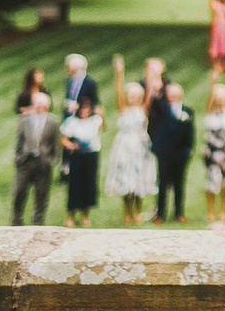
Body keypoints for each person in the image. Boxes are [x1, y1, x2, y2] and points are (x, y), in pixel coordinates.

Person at [104, 56, 158, 226]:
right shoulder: (123, 109)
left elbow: (150, 92)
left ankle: (137, 211)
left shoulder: (143, 110)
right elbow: (118, 93)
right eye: (131, 96)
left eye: (136, 95)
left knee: (139, 180)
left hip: (140, 147)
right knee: (126, 180)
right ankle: (126, 211)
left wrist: (149, 75)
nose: (133, 98)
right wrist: (119, 74)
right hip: (125, 146)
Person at [12, 92, 60, 226]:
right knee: (19, 192)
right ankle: (16, 220)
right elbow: (19, 141)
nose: (38, 108)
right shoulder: (24, 120)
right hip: (26, 160)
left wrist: (52, 160)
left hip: (43, 162)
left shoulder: (53, 122)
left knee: (41, 194)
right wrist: (18, 157)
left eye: (41, 105)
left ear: (47, 106)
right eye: (36, 105)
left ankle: (38, 221)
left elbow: (56, 144)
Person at [150, 81, 195, 223]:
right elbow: (154, 102)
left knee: (179, 184)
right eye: (170, 92)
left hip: (181, 153)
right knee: (162, 184)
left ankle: (179, 213)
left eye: (175, 92)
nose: (173, 94)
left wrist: (188, 150)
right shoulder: (162, 109)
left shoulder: (187, 111)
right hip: (164, 152)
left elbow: (190, 132)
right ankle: (160, 214)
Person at [59, 97, 105, 227]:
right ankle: (70, 215)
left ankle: (85, 215)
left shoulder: (95, 121)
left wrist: (102, 114)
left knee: (89, 185)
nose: (85, 111)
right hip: (77, 156)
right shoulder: (72, 122)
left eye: (87, 109)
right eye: (83, 108)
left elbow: (103, 127)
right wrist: (70, 146)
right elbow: (63, 139)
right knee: (75, 186)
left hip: (91, 156)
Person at [201, 80, 225, 223]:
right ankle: (210, 211)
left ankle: (223, 211)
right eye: (218, 97)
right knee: (211, 182)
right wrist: (214, 80)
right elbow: (209, 100)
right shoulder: (210, 114)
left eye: (222, 97)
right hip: (212, 152)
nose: (220, 100)